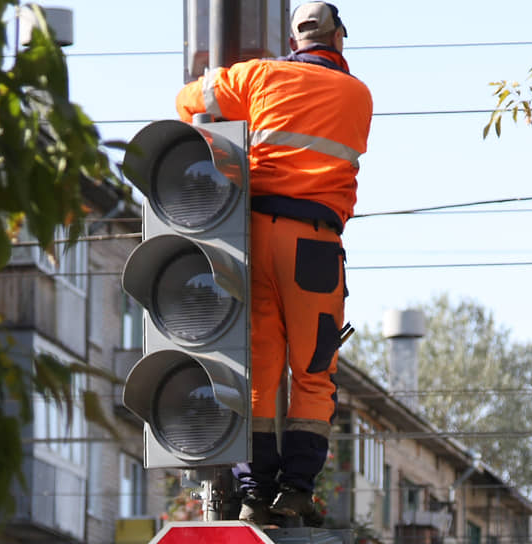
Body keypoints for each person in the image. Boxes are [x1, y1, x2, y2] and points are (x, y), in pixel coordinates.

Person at [176, 1, 372, 526]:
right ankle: (295, 492)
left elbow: (188, 99)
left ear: (293, 40)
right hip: (313, 244)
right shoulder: (357, 94)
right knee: (311, 372)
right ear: (339, 38)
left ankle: (252, 492)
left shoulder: (260, 76)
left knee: (258, 371)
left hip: (253, 239)